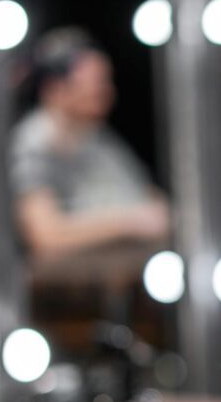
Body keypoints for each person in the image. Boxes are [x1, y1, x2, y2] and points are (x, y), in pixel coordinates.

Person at [9, 28, 169, 258]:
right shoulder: (33, 145)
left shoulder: (98, 140)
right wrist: (130, 222)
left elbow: (150, 201)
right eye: (95, 84)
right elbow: (45, 235)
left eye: (106, 82)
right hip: (68, 287)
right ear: (55, 88)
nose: (105, 92)